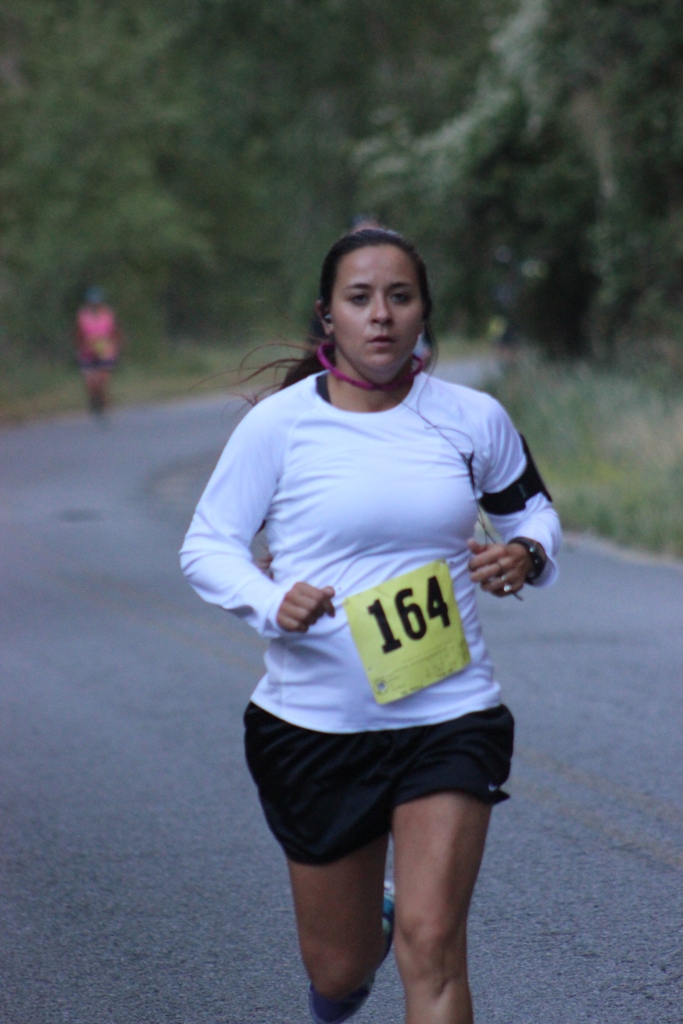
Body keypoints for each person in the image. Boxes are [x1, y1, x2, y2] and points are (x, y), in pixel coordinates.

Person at [180, 228, 561, 1024]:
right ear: (329, 318)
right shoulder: (279, 427)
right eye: (360, 300)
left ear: (423, 314)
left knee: (432, 943)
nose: (380, 316)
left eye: (399, 297)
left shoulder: (470, 418)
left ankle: (406, 923)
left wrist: (525, 552)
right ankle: (362, 940)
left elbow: (530, 509)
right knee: (340, 967)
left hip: (449, 714)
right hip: (315, 727)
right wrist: (266, 599)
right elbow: (207, 546)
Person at [74, 287, 123, 416]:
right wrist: (80, 346)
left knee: (102, 380)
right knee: (90, 382)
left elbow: (115, 331)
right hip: (87, 351)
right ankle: (94, 401)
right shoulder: (82, 315)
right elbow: (78, 333)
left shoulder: (108, 314)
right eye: (92, 303)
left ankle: (103, 405)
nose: (95, 306)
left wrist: (116, 345)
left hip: (105, 351)